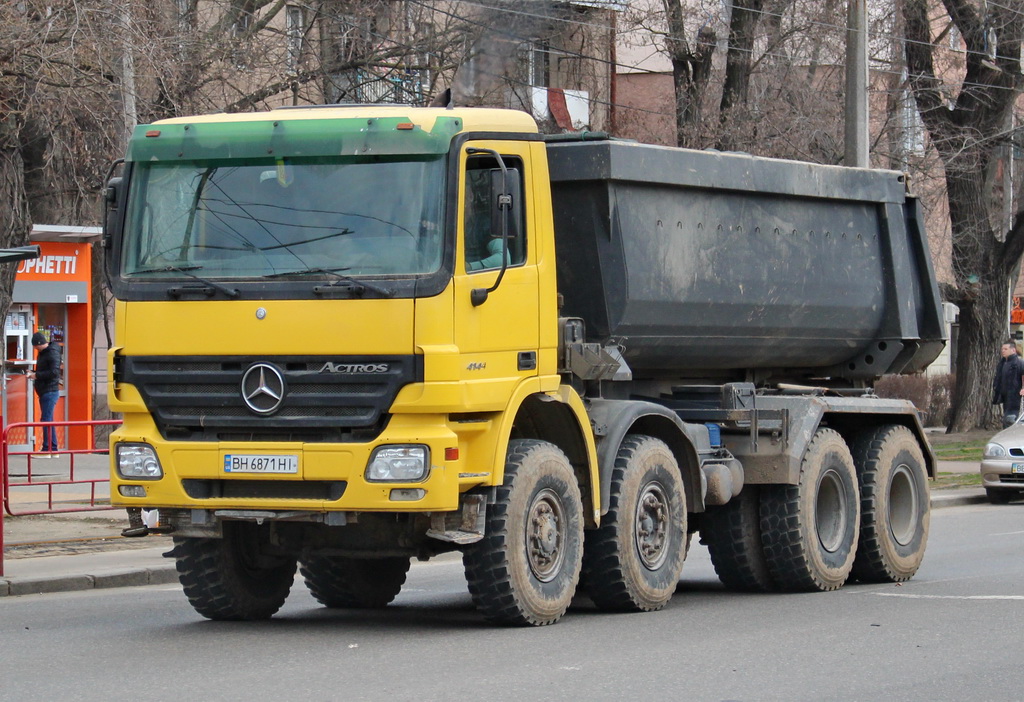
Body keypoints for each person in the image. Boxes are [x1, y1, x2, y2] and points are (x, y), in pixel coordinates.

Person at [28, 331, 61, 455]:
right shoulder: (44, 353)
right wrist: (34, 372)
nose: (35, 349)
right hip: (45, 391)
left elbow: (54, 373)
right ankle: (52, 448)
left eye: (36, 346)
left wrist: (36, 375)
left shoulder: (51, 354)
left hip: (49, 390)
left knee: (46, 419)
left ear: (40, 343)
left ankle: (48, 449)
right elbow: (47, 370)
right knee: (48, 420)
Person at [992, 339, 1024, 427]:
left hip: (1015, 396)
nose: (1003, 351)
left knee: (1010, 418)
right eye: (1002, 349)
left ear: (1013, 350)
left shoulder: (1019, 363)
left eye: (1005, 349)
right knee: (1006, 418)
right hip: (1005, 396)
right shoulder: (1002, 363)